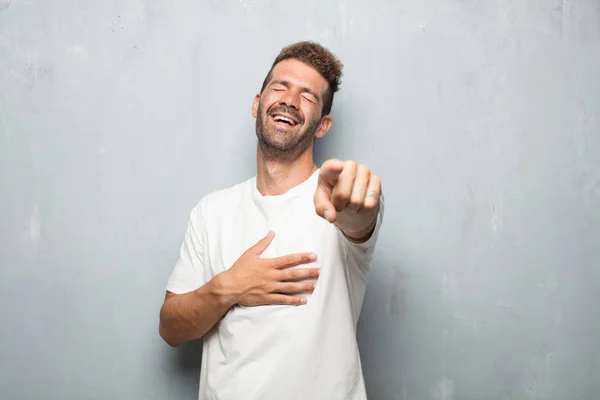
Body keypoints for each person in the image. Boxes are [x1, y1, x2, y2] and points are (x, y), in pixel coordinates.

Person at [159, 41, 384, 400]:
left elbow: (359, 219)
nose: (290, 101)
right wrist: (231, 287)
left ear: (323, 125)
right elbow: (171, 328)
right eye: (280, 87)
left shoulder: (337, 198)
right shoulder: (211, 211)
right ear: (257, 103)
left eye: (308, 96)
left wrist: (361, 208)